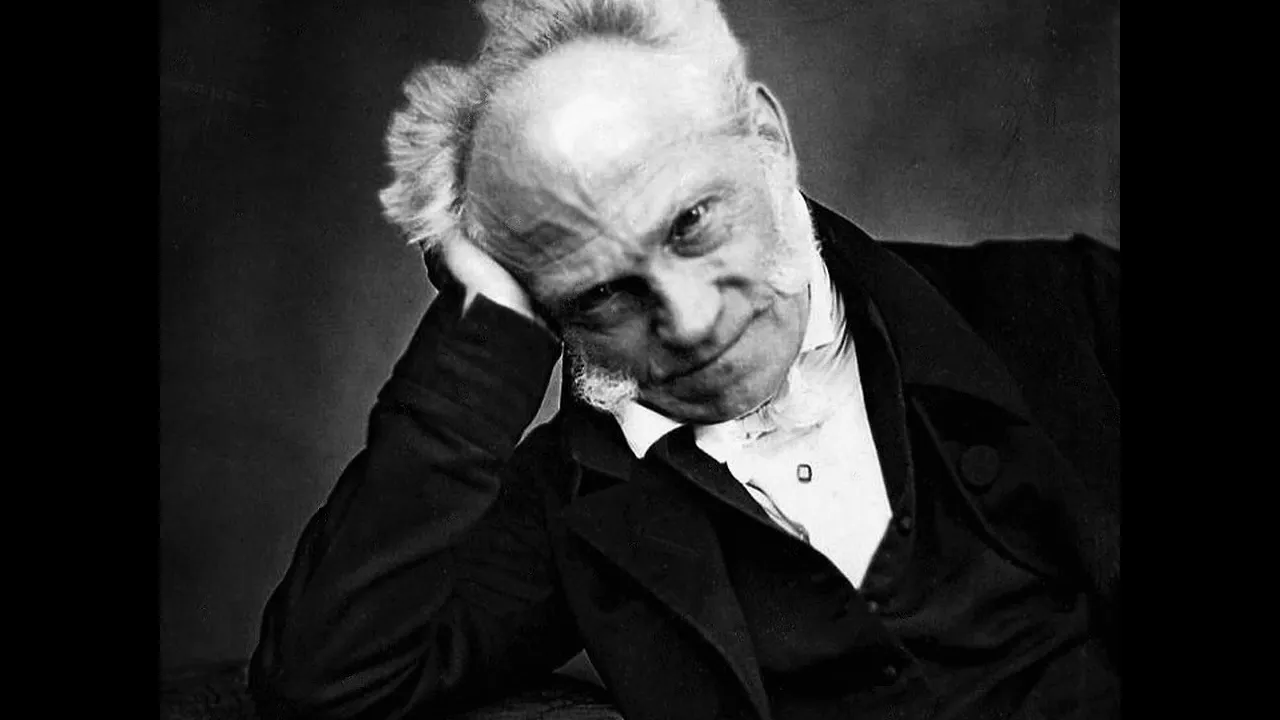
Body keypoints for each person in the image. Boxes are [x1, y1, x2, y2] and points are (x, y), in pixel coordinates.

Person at [248, 1, 1121, 718]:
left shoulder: (1072, 307)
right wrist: (484, 320)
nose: (693, 322)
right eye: (601, 291)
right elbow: (328, 684)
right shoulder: (572, 502)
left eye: (693, 221)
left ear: (765, 139)